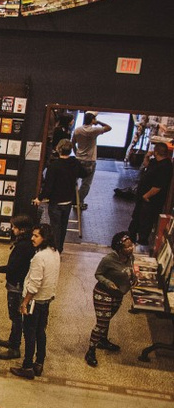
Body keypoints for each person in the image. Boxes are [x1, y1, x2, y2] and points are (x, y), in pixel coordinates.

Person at [0, 213, 36, 361]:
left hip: (16, 285)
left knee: (16, 316)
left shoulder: (23, 246)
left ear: (22, 229)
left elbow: (12, 267)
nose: (12, 229)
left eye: (14, 227)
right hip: (17, 282)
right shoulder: (25, 243)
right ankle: (12, 341)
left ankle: (14, 348)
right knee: (14, 316)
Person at [11, 223, 60, 380]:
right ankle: (39, 363)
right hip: (46, 299)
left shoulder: (39, 257)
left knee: (29, 332)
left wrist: (25, 302)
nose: (32, 238)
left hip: (35, 301)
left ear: (44, 238)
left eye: (36, 236)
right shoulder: (54, 252)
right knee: (40, 331)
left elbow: (35, 283)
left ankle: (27, 366)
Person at [85, 231, 136, 368]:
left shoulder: (130, 258)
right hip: (103, 294)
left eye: (131, 245)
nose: (131, 248)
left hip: (118, 295)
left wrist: (134, 279)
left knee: (107, 319)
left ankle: (103, 341)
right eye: (127, 247)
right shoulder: (108, 259)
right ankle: (90, 351)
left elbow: (129, 271)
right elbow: (98, 274)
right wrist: (108, 283)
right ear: (119, 249)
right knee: (101, 324)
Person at [33, 139, 80, 251]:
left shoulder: (54, 166)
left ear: (58, 149)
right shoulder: (74, 163)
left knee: (55, 227)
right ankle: (60, 249)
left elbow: (48, 186)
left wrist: (39, 198)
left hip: (56, 202)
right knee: (63, 227)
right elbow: (84, 173)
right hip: (68, 201)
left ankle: (55, 249)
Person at [128, 141, 172, 247]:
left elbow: (158, 186)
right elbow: (147, 165)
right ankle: (131, 240)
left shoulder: (165, 166)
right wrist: (147, 157)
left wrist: (146, 196)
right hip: (143, 199)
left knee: (145, 224)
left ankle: (141, 244)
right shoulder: (155, 162)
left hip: (151, 201)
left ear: (156, 152)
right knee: (136, 220)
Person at [71, 112, 112, 210]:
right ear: (92, 120)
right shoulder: (94, 130)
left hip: (78, 159)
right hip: (90, 160)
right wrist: (98, 122)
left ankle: (72, 199)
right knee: (86, 183)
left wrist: (76, 152)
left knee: (73, 181)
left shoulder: (77, 130)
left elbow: (73, 142)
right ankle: (79, 202)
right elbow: (109, 127)